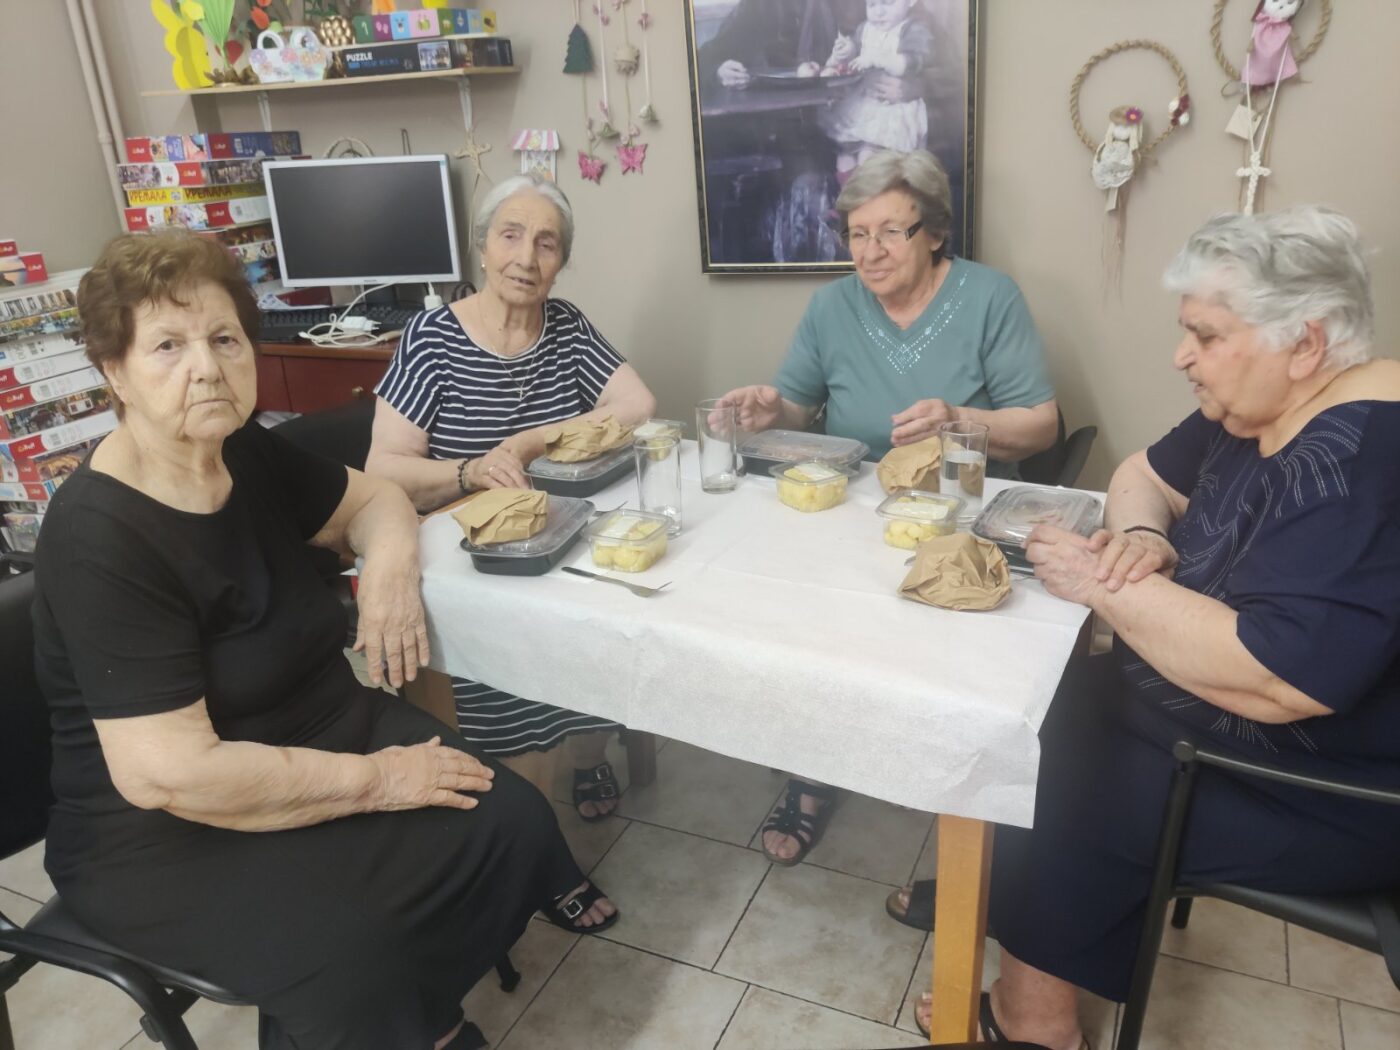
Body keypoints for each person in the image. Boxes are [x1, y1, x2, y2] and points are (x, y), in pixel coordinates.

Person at [32, 231, 613, 1050]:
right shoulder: (100, 536)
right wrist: (378, 782)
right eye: (168, 345)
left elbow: (376, 500)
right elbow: (173, 775)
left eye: (224, 338)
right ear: (114, 372)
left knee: (509, 816)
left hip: (316, 727)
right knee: (356, 955)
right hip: (165, 828)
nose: (207, 367)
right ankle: (408, 1020)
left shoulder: (241, 450)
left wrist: (388, 571)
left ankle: (421, 1012)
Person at [892, 206, 1400, 1047]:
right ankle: (988, 896)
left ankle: (1034, 1023)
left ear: (1305, 343)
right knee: (1026, 706)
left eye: (1205, 335)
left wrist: (1102, 585)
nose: (1180, 356)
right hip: (1219, 724)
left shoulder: (1357, 464)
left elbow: (1279, 680)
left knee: (1059, 771)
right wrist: (1140, 536)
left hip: (1323, 787)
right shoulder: (1262, 405)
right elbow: (1141, 474)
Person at [718, 148, 1057, 866]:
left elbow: (1041, 425)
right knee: (806, 628)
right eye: (857, 234)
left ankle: (939, 778)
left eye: (890, 232)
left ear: (934, 232)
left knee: (942, 652)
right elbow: (798, 407)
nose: (869, 252)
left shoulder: (990, 297)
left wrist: (959, 419)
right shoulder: (831, 306)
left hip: (958, 517)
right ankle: (812, 774)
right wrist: (768, 411)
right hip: (851, 511)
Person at [367, 174, 655, 845]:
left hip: (563, 544)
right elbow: (383, 469)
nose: (527, 257)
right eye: (511, 235)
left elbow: (638, 405)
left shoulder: (566, 326)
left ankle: (586, 756)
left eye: (546, 243)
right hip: (476, 564)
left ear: (562, 260)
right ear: (483, 247)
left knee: (611, 620)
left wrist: (527, 442)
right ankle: (531, 834)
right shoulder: (432, 338)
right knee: (518, 672)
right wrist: (468, 470)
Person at [820, 0, 934, 182]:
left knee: (869, 158)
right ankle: (849, 196)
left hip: (892, 109)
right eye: (871, 5)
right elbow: (856, 52)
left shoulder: (913, 30)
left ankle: (870, 196)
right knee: (844, 156)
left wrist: (877, 59)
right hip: (863, 106)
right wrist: (847, 51)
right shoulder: (865, 28)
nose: (878, 12)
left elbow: (910, 63)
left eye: (887, 3)